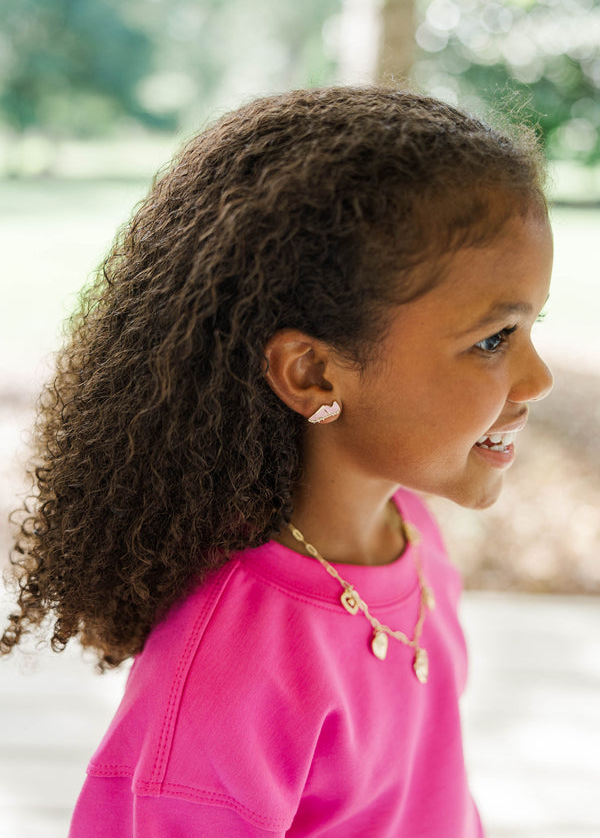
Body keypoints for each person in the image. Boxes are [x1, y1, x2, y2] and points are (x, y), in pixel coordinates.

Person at [1, 86, 553, 836]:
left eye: (529, 327)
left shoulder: (407, 526)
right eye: (493, 339)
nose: (538, 378)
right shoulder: (232, 673)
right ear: (313, 374)